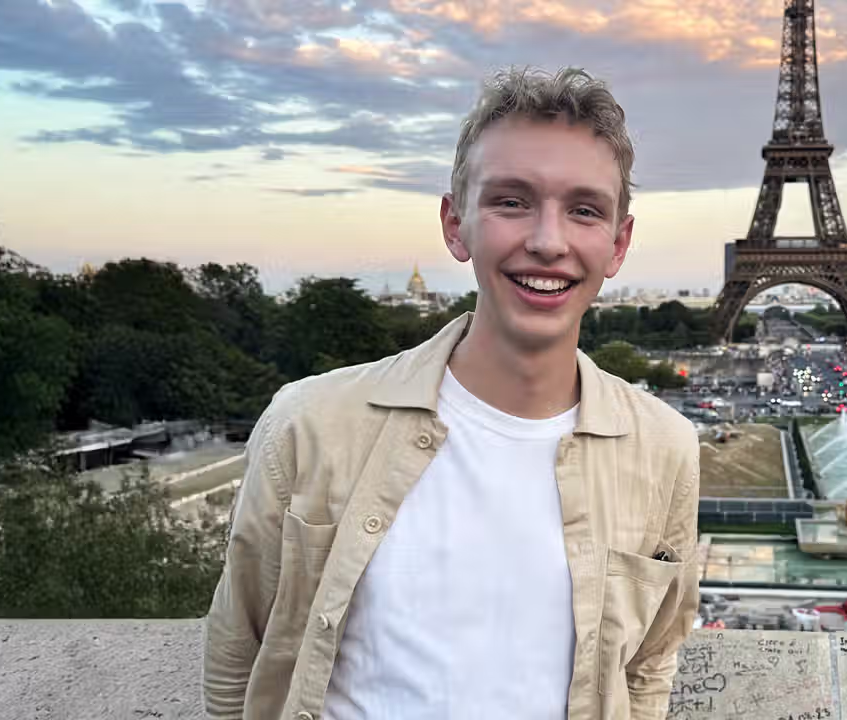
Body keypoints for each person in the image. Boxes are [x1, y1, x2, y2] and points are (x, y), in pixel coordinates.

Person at [203, 67, 700, 720]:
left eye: (583, 210)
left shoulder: (667, 448)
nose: (548, 241)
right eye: (511, 201)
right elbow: (239, 647)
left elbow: (649, 664)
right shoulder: (308, 425)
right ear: (454, 223)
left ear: (618, 243)